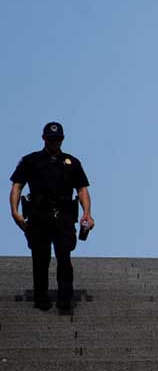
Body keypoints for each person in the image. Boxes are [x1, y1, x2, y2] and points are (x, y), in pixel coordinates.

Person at [9, 122, 94, 312]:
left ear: (62, 139)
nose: (54, 142)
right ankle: (41, 298)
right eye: (50, 139)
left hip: (63, 216)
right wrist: (15, 211)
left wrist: (87, 213)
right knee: (40, 258)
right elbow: (17, 186)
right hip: (38, 216)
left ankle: (65, 299)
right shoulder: (30, 161)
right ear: (43, 138)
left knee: (64, 257)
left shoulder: (72, 163)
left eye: (57, 139)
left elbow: (82, 190)